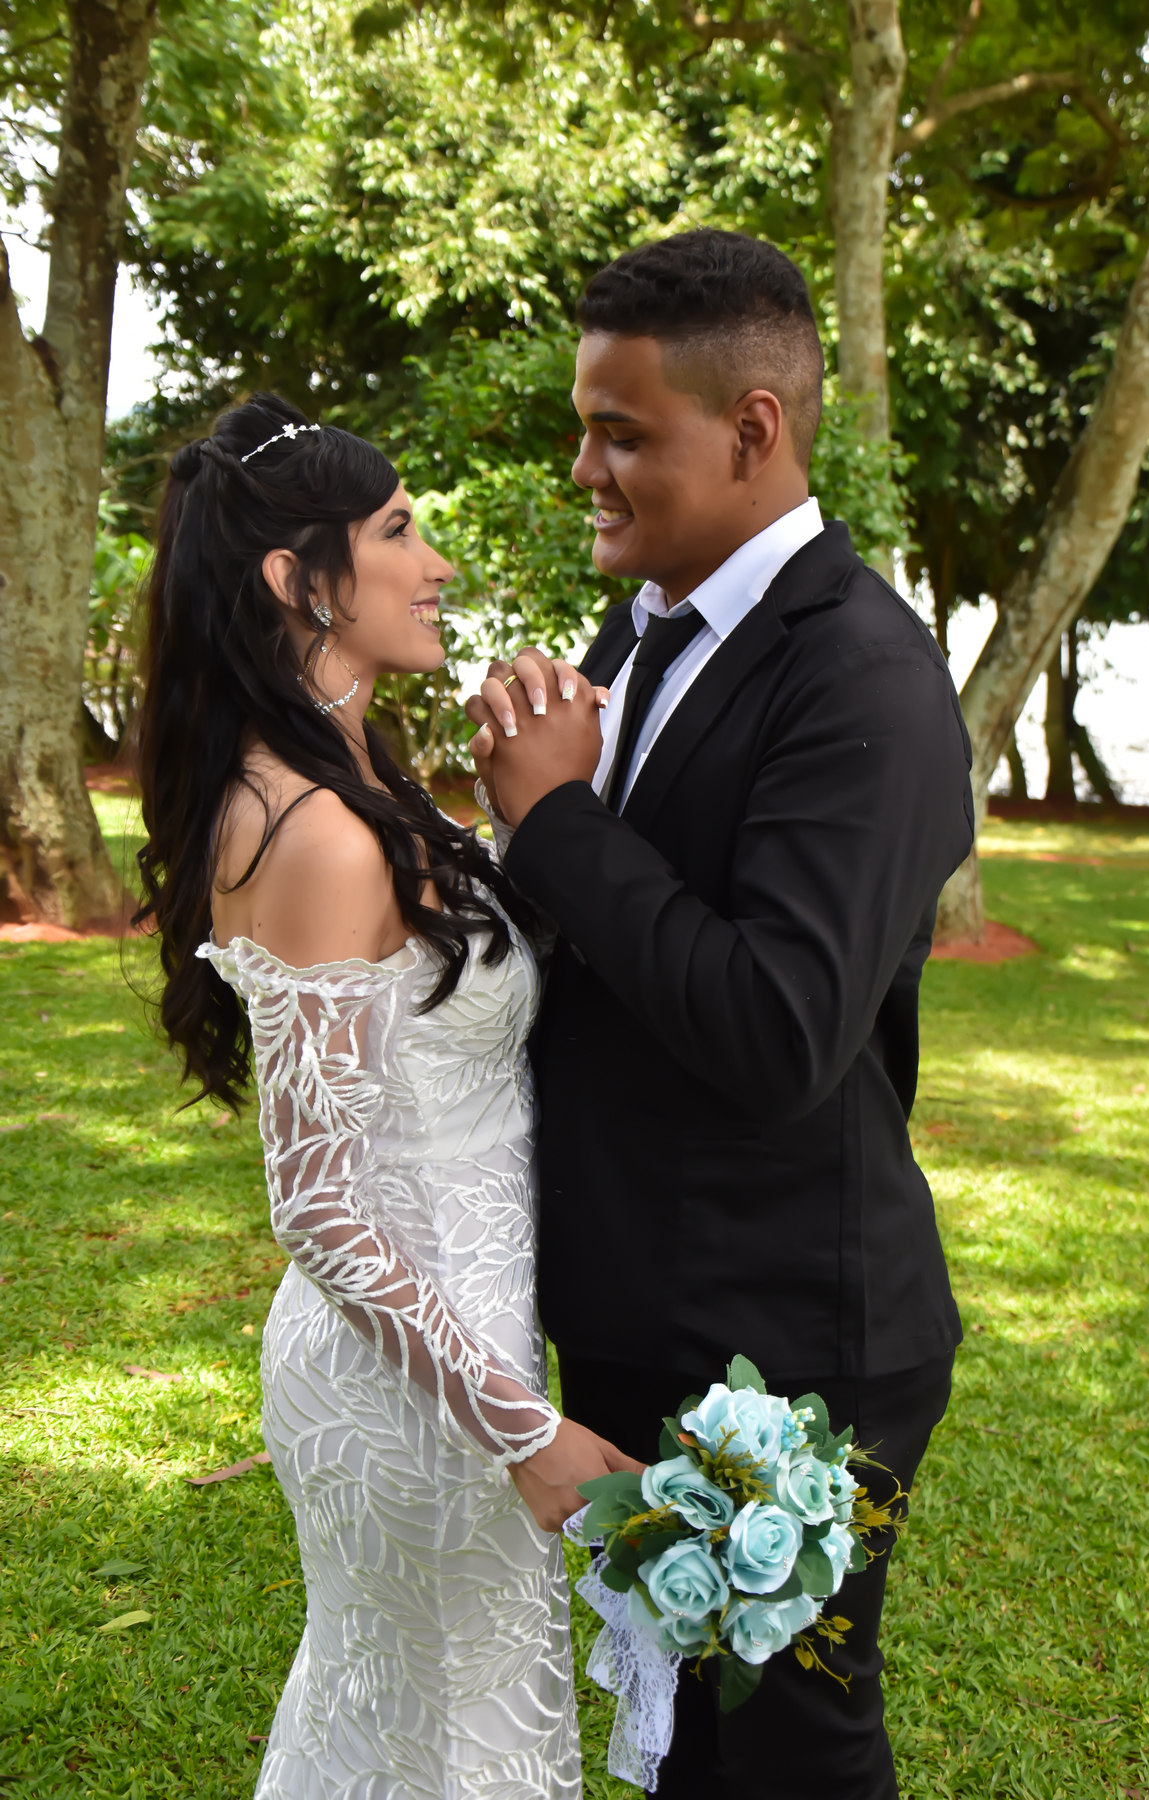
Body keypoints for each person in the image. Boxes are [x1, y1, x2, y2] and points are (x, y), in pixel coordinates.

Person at [467, 230, 974, 1800]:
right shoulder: (646, 627)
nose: (585, 471)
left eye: (622, 434)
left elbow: (780, 1027)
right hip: (643, 1301)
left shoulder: (864, 675)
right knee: (681, 1737)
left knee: (791, 1756)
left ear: (753, 428)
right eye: (586, 428)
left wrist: (558, 822)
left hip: (786, 1342)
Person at [135, 392, 639, 1800]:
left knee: (420, 1732)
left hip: (458, 1343)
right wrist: (520, 1427)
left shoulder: (350, 773)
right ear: (299, 579)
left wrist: (534, 806)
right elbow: (318, 1205)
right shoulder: (314, 832)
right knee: (456, 1747)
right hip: (417, 1385)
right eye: (401, 532)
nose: (439, 565)